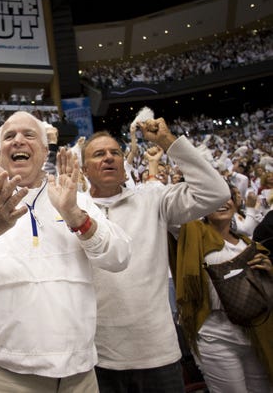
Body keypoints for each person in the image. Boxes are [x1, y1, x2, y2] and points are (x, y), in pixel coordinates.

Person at [0, 111, 132, 393]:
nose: (18, 140)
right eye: (9, 136)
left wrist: (74, 215)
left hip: (79, 376)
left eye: (29, 135)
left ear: (45, 150)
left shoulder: (75, 199)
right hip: (3, 377)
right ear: (0, 152)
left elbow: (119, 257)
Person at [81, 117, 230, 392]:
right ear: (84, 169)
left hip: (156, 352)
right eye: (99, 154)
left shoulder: (154, 201)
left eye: (115, 152)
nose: (109, 158)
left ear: (125, 169)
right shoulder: (74, 211)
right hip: (97, 355)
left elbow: (216, 193)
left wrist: (167, 141)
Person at [173, 185, 273, 392]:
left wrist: (270, 270)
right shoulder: (192, 234)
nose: (223, 203)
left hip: (253, 330)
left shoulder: (247, 243)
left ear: (236, 203)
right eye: (215, 198)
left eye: (228, 198)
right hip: (215, 334)